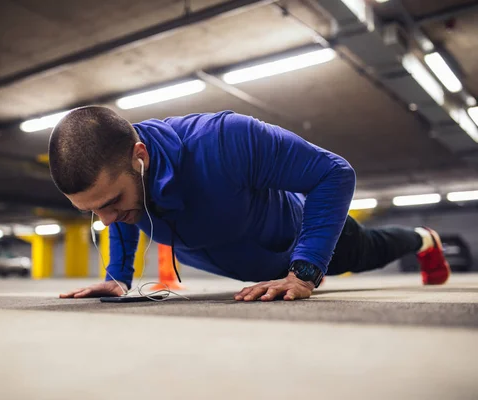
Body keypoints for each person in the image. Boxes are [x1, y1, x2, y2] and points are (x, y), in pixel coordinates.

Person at [49, 106, 450, 301]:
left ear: (141, 157)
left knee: (373, 249)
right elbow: (119, 214)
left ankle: (424, 239)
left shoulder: (225, 140)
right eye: (92, 210)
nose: (106, 219)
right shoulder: (123, 188)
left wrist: (305, 269)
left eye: (112, 201)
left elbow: (335, 173)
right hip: (259, 262)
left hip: (311, 237)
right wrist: (118, 277)